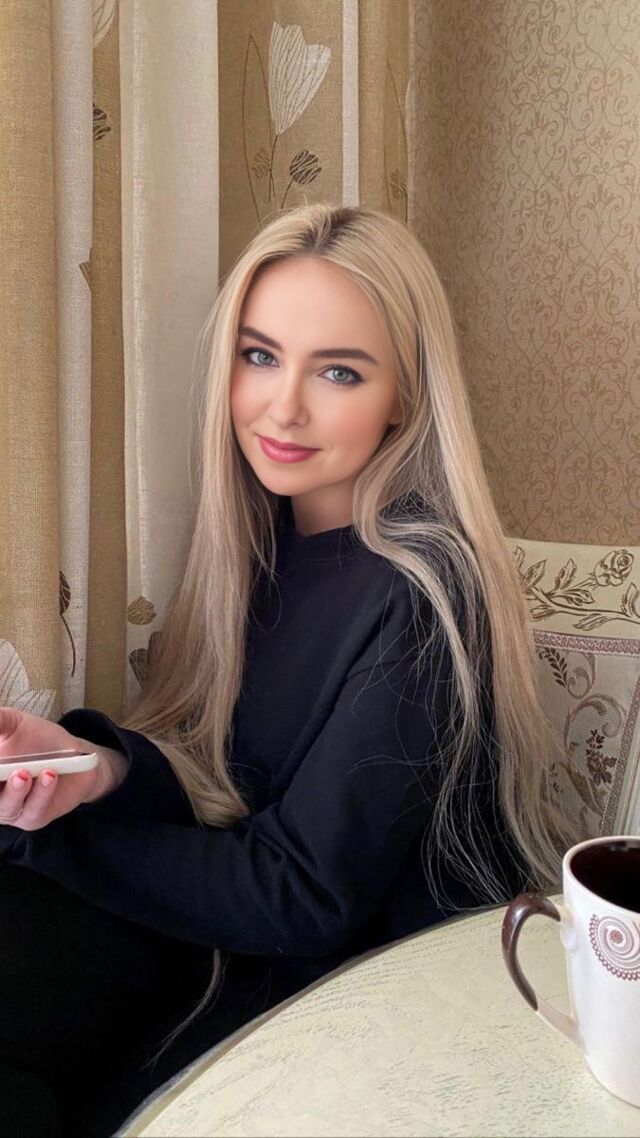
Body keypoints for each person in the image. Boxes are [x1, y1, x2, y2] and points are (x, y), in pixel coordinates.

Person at [0, 204, 575, 1136]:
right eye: (260, 356)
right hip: (231, 939)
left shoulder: (428, 590)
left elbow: (307, 895)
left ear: (405, 396)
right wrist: (95, 772)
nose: (283, 407)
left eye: (339, 371)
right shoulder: (259, 546)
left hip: (338, 988)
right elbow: (238, 788)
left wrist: (52, 838)